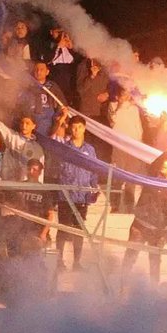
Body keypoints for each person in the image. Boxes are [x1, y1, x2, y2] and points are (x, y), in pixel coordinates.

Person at [121, 154, 167, 286]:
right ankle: (121, 286)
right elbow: (155, 164)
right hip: (142, 224)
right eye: (165, 161)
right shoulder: (154, 178)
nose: (165, 163)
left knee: (155, 260)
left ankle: (153, 290)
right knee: (130, 256)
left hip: (159, 229)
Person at [51, 112, 99, 271]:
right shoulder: (64, 146)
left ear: (84, 129)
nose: (77, 130)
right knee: (63, 228)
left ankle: (77, 262)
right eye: (74, 127)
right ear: (70, 129)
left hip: (82, 195)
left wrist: (93, 188)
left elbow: (94, 170)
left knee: (79, 230)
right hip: (66, 194)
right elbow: (53, 140)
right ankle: (59, 261)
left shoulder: (90, 150)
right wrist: (62, 119)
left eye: (80, 127)